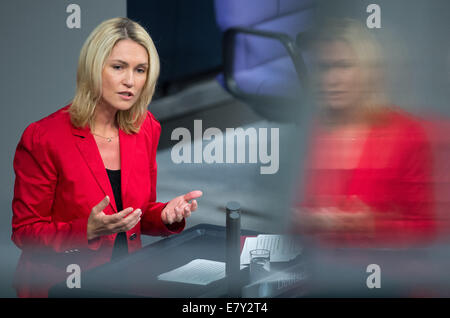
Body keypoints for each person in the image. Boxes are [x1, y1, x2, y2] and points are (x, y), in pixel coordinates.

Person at [11, 17, 202, 297]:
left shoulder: (146, 126)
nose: (130, 81)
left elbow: (135, 215)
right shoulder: (43, 137)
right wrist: (85, 230)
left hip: (128, 281)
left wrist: (164, 214)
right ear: (93, 69)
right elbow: (24, 232)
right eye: (118, 67)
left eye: (140, 70)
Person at [292, 19, 435, 248]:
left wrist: (371, 225)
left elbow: (426, 228)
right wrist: (302, 219)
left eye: (343, 66)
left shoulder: (406, 134)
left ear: (368, 72)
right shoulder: (311, 131)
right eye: (323, 68)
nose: (331, 80)